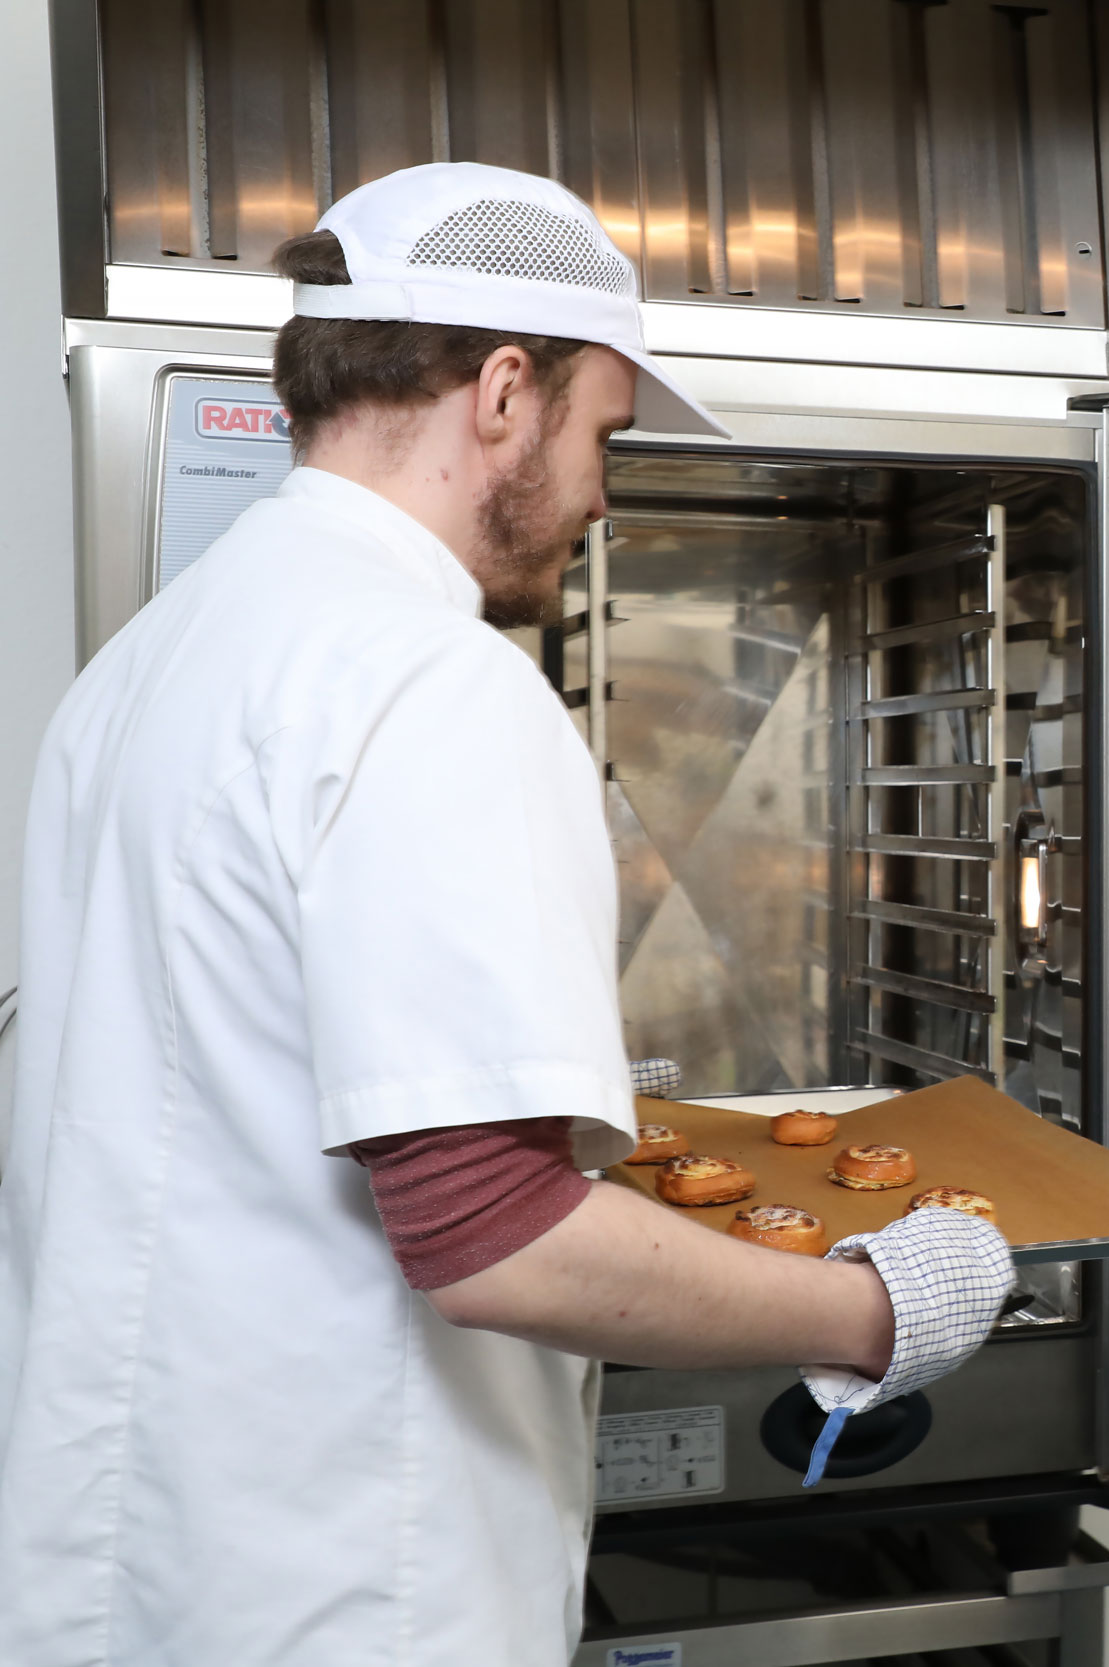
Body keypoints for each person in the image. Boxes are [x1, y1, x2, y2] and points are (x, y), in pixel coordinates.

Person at [0, 162, 1014, 1666]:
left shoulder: (147, 665)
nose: (602, 495)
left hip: (136, 1574)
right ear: (502, 392)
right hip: (349, 1594)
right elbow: (490, 1236)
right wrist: (875, 1309)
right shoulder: (430, 681)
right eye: (604, 434)